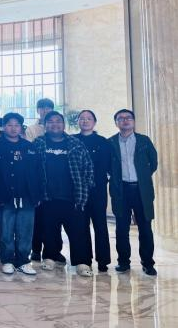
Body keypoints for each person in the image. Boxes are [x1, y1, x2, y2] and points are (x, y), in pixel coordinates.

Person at [33, 111, 94, 277]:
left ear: (63, 124)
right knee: (49, 229)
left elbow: (88, 167)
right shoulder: (38, 143)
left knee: (78, 231)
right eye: (51, 121)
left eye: (58, 121)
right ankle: (50, 257)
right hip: (47, 196)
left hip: (73, 196)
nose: (55, 124)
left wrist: (85, 187)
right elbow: (31, 167)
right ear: (45, 125)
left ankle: (82, 262)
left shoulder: (75, 143)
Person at [0, 113, 44, 275]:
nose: (13, 128)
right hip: (4, 196)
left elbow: (38, 172)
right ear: (4, 127)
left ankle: (23, 261)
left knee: (25, 230)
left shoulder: (30, 147)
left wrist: (37, 194)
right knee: (6, 231)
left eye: (16, 125)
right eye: (9, 125)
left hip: (27, 196)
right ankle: (7, 260)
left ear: (21, 128)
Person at [109, 109, 158, 276]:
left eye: (128, 118)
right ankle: (123, 262)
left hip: (141, 190)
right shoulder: (110, 142)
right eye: (120, 118)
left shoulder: (144, 140)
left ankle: (148, 263)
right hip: (120, 190)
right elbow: (108, 166)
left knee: (145, 228)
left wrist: (142, 177)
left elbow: (153, 162)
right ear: (116, 123)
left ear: (134, 121)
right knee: (121, 229)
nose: (125, 120)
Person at [74, 110, 112, 272]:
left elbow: (109, 165)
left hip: (98, 190)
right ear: (78, 122)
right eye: (82, 118)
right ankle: (84, 260)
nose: (85, 121)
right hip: (78, 191)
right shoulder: (72, 140)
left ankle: (103, 261)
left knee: (100, 225)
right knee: (80, 226)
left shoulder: (103, 142)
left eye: (89, 118)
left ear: (94, 122)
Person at [27, 98, 57, 261]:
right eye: (42, 108)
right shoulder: (31, 129)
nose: (45, 111)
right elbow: (29, 150)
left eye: (48, 108)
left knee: (53, 219)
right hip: (38, 178)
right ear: (38, 110)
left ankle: (54, 251)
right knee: (37, 218)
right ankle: (36, 249)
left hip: (55, 181)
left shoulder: (58, 127)